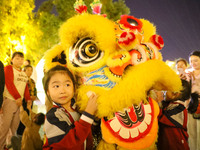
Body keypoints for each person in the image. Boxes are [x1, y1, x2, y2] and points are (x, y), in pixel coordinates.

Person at [43, 65, 98, 150]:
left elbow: (88, 129)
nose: (62, 91)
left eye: (67, 85)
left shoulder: (78, 109)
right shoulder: (52, 117)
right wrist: (88, 114)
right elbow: (71, 144)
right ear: (48, 92)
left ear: (74, 88)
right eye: (56, 86)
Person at [0, 52, 31, 150]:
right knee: (4, 127)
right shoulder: (8, 68)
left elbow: (25, 87)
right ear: (12, 60)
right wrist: (17, 97)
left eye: (21, 59)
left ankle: (9, 146)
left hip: (19, 103)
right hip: (9, 100)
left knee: (14, 127)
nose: (20, 60)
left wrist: (28, 99)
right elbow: (8, 83)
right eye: (17, 58)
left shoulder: (23, 73)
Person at [157, 79, 191, 150]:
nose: (164, 93)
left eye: (167, 90)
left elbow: (161, 117)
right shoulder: (169, 104)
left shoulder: (180, 109)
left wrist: (157, 101)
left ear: (176, 93)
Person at [187, 50, 200, 150]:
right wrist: (186, 79)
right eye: (191, 61)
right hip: (191, 104)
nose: (193, 63)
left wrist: (196, 80)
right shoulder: (188, 73)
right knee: (191, 131)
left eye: (195, 60)